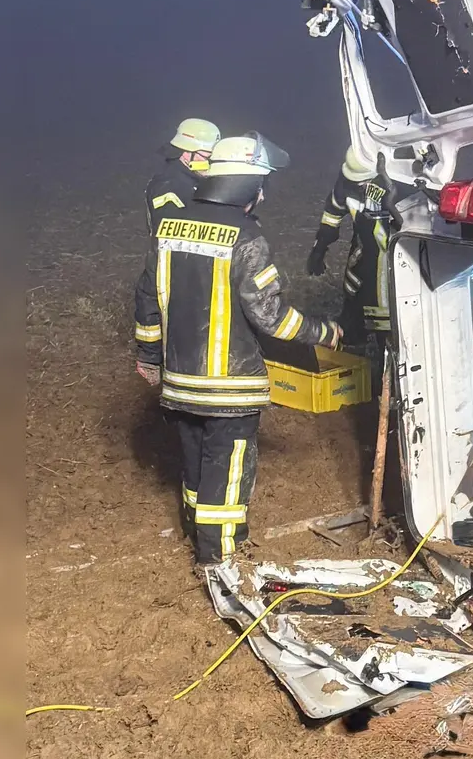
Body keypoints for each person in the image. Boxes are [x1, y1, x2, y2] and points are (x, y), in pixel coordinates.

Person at [134, 133, 343, 568]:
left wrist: (149, 357)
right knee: (227, 474)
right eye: (261, 184)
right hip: (228, 389)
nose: (264, 194)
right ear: (246, 186)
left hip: (179, 383)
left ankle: (196, 532)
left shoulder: (168, 226)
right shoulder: (246, 238)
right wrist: (323, 331)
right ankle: (221, 559)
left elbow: (147, 298)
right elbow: (271, 317)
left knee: (195, 464)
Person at [306, 146, 396, 348]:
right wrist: (320, 248)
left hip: (394, 256)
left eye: (363, 181)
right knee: (354, 291)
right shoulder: (347, 180)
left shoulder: (397, 184)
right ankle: (352, 334)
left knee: (388, 304)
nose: (359, 185)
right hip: (363, 248)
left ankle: (387, 346)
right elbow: (332, 212)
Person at [145, 118, 220, 234]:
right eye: (207, 157)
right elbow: (171, 233)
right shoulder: (167, 187)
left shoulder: (193, 178)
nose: (210, 162)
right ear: (186, 153)